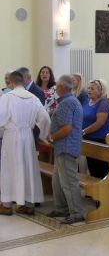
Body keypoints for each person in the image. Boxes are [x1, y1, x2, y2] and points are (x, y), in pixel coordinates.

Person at [0, 70, 50, 216]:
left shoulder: (7, 97)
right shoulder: (33, 98)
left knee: (9, 169)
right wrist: (43, 135)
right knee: (28, 168)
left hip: (11, 136)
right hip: (28, 137)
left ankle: (6, 205)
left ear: (11, 82)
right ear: (23, 81)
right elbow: (45, 119)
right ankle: (28, 205)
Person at [46, 75, 85, 224]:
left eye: (57, 86)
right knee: (57, 180)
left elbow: (67, 128)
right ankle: (62, 208)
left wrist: (52, 137)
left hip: (66, 146)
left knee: (69, 182)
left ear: (62, 87)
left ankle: (77, 213)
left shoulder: (67, 102)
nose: (55, 89)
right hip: (63, 147)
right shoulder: (70, 100)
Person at [81, 79, 109, 179]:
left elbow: (99, 123)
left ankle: (103, 188)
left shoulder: (103, 104)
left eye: (92, 88)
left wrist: (84, 131)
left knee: (101, 168)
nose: (89, 90)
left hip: (99, 140)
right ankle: (94, 187)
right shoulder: (87, 101)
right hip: (88, 138)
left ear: (100, 91)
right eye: (88, 88)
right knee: (92, 167)